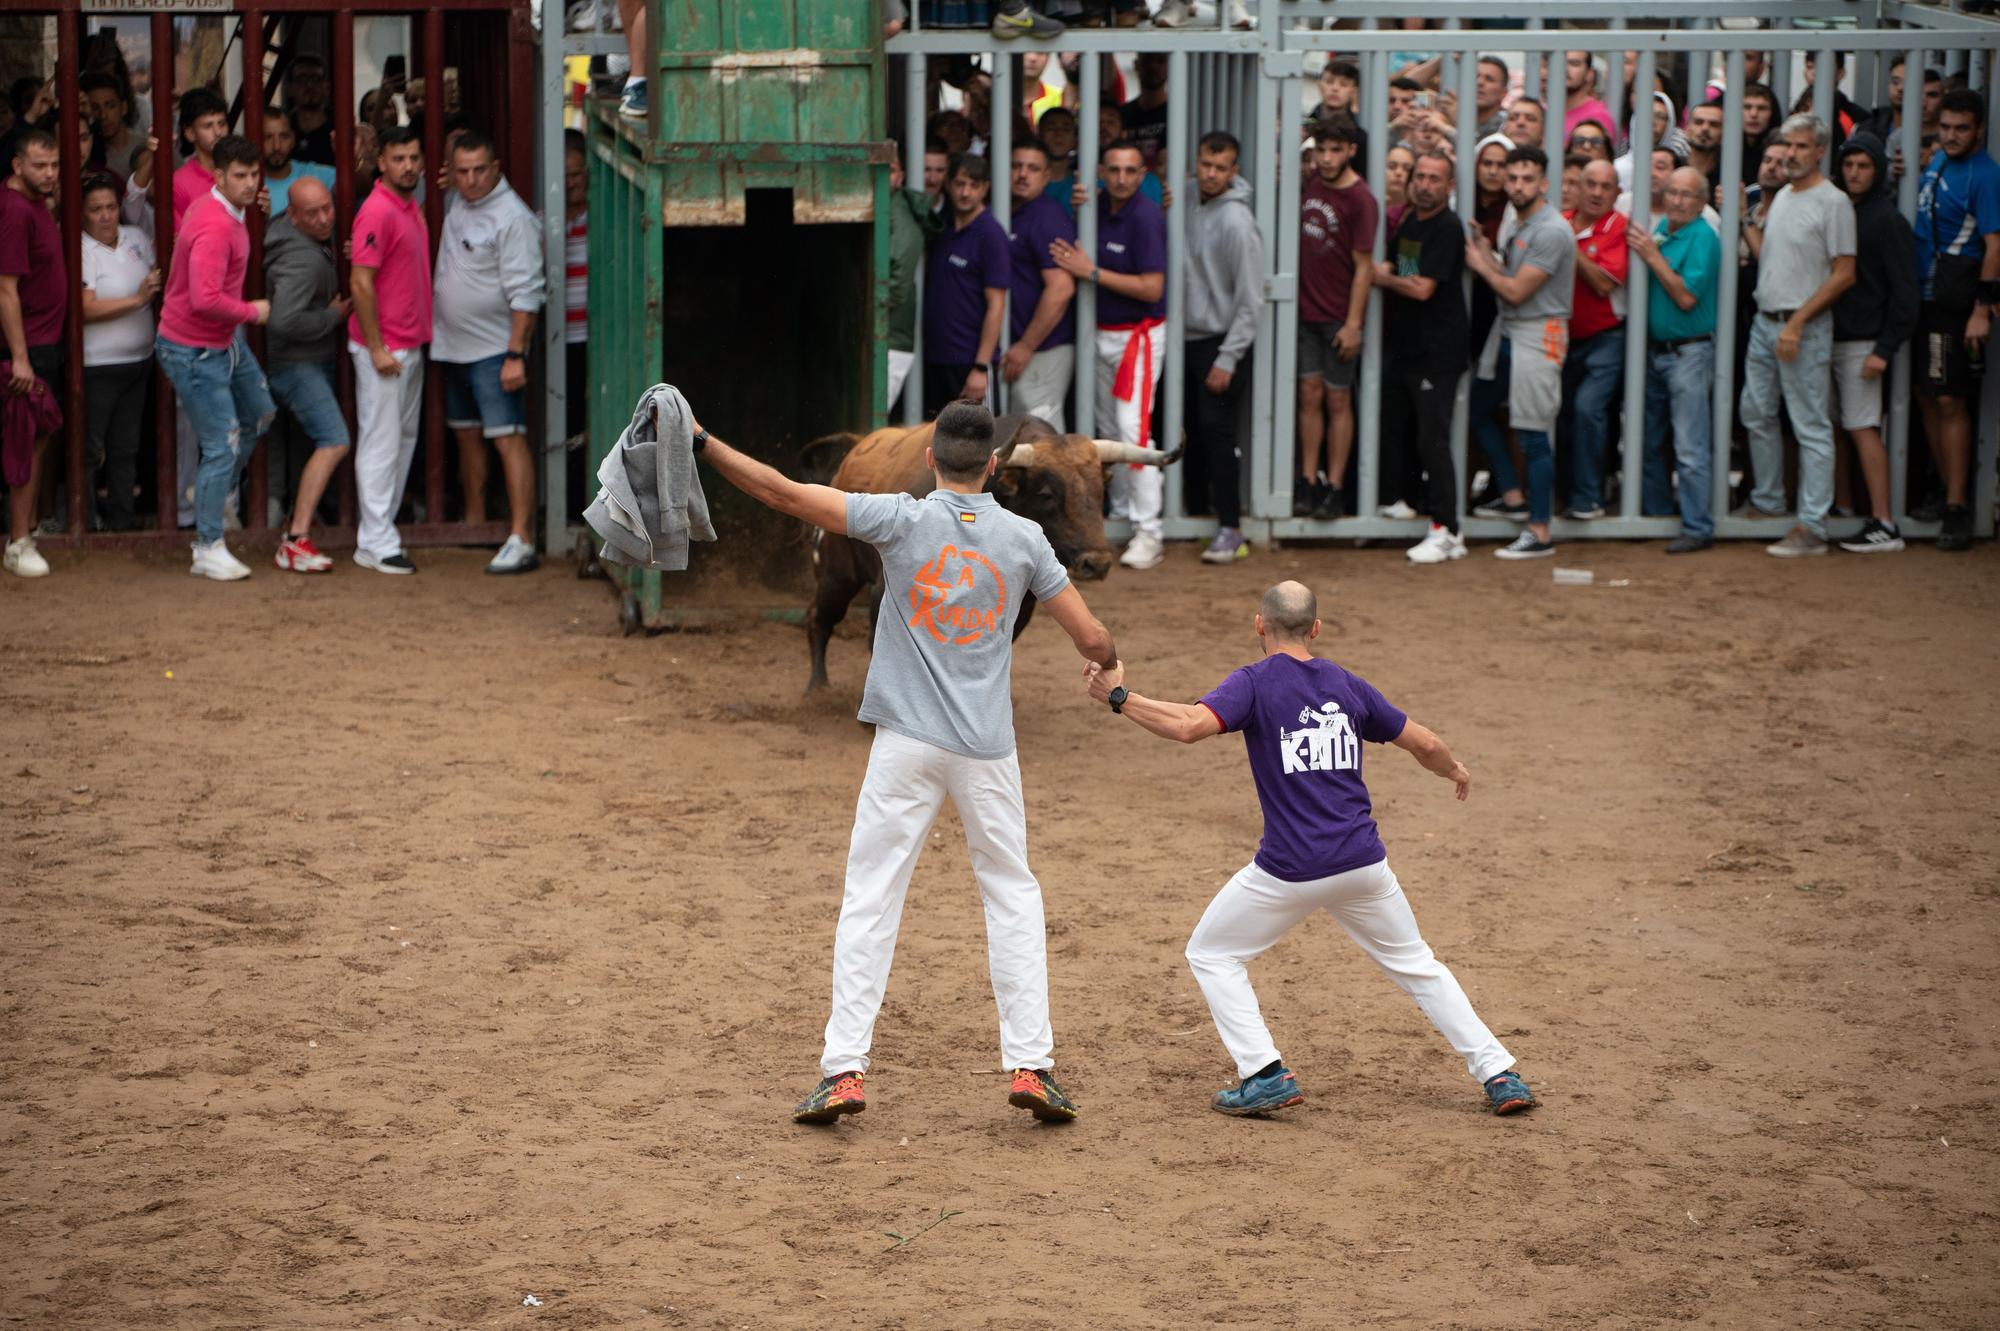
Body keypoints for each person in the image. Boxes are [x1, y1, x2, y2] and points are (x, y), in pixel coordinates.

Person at [693, 400, 1114, 1125]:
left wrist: (702, 440)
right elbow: (1092, 635)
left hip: (904, 745)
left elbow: (782, 491)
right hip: (985, 748)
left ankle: (844, 1072)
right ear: (992, 467)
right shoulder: (1024, 539)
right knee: (1012, 895)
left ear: (930, 460)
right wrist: (1106, 664)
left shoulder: (899, 517)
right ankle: (1033, 1067)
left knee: (870, 898)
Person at [1079, 581, 1538, 1120]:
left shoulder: (1252, 682)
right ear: (1315, 629)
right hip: (1364, 865)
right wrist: (1453, 770)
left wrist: (1117, 697)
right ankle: (1499, 1074)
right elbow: (1427, 744)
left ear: (1259, 625)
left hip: (1289, 871)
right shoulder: (1346, 683)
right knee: (1418, 965)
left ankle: (1263, 1073)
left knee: (1212, 953)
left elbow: (1187, 727)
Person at [154, 134, 275, 581]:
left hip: (218, 342)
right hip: (194, 347)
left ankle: (210, 487)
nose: (249, 183)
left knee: (260, 414)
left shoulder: (223, 209)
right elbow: (204, 299)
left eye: (253, 174)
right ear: (218, 176)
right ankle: (207, 546)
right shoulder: (215, 225)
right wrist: (252, 312)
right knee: (221, 446)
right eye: (239, 176)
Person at [1739, 114, 1856, 557]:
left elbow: (1844, 273)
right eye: (1787, 145)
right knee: (1756, 412)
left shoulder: (1833, 203)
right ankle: (1769, 503)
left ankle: (1812, 525)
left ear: (1820, 151)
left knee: (1810, 424)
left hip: (1801, 327)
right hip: (1767, 321)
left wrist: (1797, 321)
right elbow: (1774, 258)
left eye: (1801, 146)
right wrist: (1744, 220)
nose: (1791, 154)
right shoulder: (1784, 195)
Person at [1049, 139, 1168, 570]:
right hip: (1100, 332)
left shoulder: (1146, 217)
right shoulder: (1095, 205)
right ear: (1102, 171)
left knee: (1133, 432)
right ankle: (1120, 513)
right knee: (1105, 428)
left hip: (1137, 336)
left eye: (1130, 171)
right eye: (1113, 170)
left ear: (1142, 176)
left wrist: (1093, 273)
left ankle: (1149, 531)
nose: (1121, 178)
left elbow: (1153, 288)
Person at [432, 129, 546, 574]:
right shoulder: (458, 200)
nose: (472, 179)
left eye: (481, 170)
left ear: (497, 168)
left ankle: (522, 537)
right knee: (466, 436)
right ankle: (477, 525)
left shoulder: (512, 217)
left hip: (495, 351)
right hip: (453, 348)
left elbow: (527, 294)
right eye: (462, 171)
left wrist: (515, 354)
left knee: (508, 438)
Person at [1467, 145, 1573, 560]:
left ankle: (1540, 530)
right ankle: (1513, 495)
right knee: (1479, 410)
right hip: (1511, 330)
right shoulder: (1518, 223)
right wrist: (1486, 252)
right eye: (1512, 178)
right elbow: (1509, 278)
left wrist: (1479, 262)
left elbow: (1515, 289)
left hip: (1537, 333)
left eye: (1527, 178)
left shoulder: (1550, 229)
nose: (1517, 185)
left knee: (1533, 435)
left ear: (1544, 183)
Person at [1911, 89, 2000, 552]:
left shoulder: (1985, 175)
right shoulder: (1938, 161)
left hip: (1956, 301)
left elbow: (1995, 244)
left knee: (1949, 400)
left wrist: (1981, 310)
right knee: (1927, 395)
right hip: (1923, 294)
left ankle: (1958, 505)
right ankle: (1946, 491)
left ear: (1979, 129)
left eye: (1961, 128)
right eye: (1945, 127)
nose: (1951, 135)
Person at [1827, 133, 1918, 555]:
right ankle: (1846, 509)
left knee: (1863, 429)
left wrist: (1884, 349)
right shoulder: (1838, 209)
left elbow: (1906, 294)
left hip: (1864, 343)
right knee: (1838, 428)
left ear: (1878, 169)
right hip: (1829, 337)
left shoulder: (1887, 220)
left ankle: (1884, 522)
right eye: (1849, 165)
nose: (1854, 173)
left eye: (1864, 166)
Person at [1377, 150, 1469, 565]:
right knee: (1407, 431)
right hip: (1409, 349)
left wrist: (1383, 278)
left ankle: (1448, 529)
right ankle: (1408, 504)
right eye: (1421, 176)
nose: (1426, 184)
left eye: (1435, 178)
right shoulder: (1412, 220)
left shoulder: (1448, 227)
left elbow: (1422, 288)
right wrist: (1391, 272)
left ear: (1449, 187)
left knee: (1434, 439)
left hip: (1438, 352)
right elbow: (1400, 265)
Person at [347, 125, 433, 575]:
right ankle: (377, 540)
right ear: (381, 162)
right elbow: (360, 281)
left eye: (414, 157)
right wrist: (378, 347)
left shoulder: (409, 205)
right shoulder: (377, 210)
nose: (408, 166)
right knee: (382, 442)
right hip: (384, 348)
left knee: (400, 440)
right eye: (398, 158)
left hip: (407, 343)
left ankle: (379, 535)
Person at [1628, 166, 1722, 554]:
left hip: (1688, 352)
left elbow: (1686, 299)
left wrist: (1651, 256)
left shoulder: (1701, 236)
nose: (1678, 201)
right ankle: (1657, 514)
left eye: (1687, 195)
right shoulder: (1667, 227)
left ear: (1702, 202)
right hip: (1657, 351)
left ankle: (1697, 525)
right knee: (1650, 439)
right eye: (1673, 193)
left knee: (1689, 444)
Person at [263, 176, 352, 572]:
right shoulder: (301, 259)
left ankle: (296, 526)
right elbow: (283, 322)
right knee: (334, 440)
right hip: (297, 364)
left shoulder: (296, 236)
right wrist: (331, 317)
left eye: (327, 208)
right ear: (292, 216)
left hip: (304, 362)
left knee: (309, 448)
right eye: (312, 213)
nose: (323, 219)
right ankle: (296, 539)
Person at [1181, 130, 1262, 566]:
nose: (1210, 175)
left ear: (1235, 171)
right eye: (1205, 165)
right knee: (1190, 432)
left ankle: (1231, 528)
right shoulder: (1188, 197)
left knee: (1217, 435)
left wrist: (1228, 357)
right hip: (1186, 339)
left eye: (1220, 168)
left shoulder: (1238, 223)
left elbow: (1252, 302)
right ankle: (1193, 517)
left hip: (1219, 342)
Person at [1292, 114, 1376, 522]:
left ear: (1351, 151)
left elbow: (1365, 267)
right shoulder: (1310, 182)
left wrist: (1354, 323)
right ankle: (1308, 480)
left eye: (1334, 150)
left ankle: (1335, 487)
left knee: (1338, 399)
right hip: (1305, 312)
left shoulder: (1361, 199)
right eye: (1320, 150)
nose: (1325, 159)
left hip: (1338, 317)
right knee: (1308, 396)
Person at [78, 173, 160, 533]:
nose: (106, 216)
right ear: (82, 213)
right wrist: (137, 300)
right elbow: (86, 308)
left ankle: (122, 522)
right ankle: (85, 522)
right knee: (91, 450)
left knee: (127, 448)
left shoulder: (137, 238)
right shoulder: (80, 248)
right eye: (95, 209)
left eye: (111, 207)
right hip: (98, 366)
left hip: (139, 362)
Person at [1, 130, 66, 577]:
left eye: (55, 165)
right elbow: (4, 290)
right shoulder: (12, 211)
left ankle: (25, 533)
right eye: (40, 166)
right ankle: (18, 541)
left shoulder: (37, 202)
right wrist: (20, 356)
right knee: (27, 443)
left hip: (44, 340)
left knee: (37, 440)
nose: (49, 174)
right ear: (17, 166)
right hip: (28, 346)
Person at [1560, 157, 1629, 522]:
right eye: (1591, 185)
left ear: (1618, 192)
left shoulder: (1615, 226)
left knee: (1586, 409)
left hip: (1602, 337)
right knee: (1560, 415)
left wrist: (1567, 245)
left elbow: (1603, 284)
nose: (1597, 193)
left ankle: (1586, 497)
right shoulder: (1401, 219)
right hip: (1562, 334)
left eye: (1606, 187)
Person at [922, 152, 1008, 418]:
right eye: (960, 184)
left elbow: (997, 305)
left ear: (985, 188)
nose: (965, 192)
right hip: (936, 356)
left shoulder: (991, 234)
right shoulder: (942, 227)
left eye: (974, 185)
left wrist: (981, 367)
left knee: (980, 447)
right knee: (936, 445)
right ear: (948, 185)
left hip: (970, 361)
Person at [998, 140, 1076, 429]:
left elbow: (1061, 288)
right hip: (1021, 346)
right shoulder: (1008, 211)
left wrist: (1027, 345)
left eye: (1033, 169)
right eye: (1016, 166)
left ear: (1046, 177)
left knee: (1041, 437)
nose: (1022, 174)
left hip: (1042, 349)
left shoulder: (1047, 217)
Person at [886, 150, 937, 416]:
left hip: (891, 336)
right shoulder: (886, 209)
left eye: (891, 169)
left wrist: (872, 314)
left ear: (900, 177)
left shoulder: (900, 213)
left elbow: (898, 279)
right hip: (889, 335)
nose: (884, 175)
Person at [260, 108, 335, 218]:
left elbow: (354, 183)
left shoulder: (314, 175)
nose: (277, 146)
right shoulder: (249, 183)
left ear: (293, 139)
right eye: (267, 137)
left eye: (284, 137)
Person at [172, 88, 228, 226]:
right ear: (190, 133)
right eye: (208, 126)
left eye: (221, 123)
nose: (218, 132)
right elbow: (182, 240)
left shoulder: (241, 172)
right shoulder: (180, 182)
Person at [283, 55, 337, 165]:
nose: (309, 85)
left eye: (316, 79)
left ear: (327, 87)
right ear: (289, 89)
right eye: (301, 79)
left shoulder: (338, 127)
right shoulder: (283, 127)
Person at [1121, 53, 1169, 177]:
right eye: (1147, 61)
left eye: (1160, 61)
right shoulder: (1122, 114)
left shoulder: (1177, 115)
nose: (1153, 67)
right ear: (1136, 65)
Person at [1561, 51, 1613, 141]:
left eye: (1574, 64)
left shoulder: (1598, 116)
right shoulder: (1545, 111)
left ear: (1590, 74)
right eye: (1560, 63)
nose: (1565, 69)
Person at [1738, 84, 1779, 187]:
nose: (1753, 114)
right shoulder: (1722, 151)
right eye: (1747, 107)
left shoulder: (1782, 151)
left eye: (1762, 108)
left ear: (1772, 113)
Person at [1685, 100, 1724, 190]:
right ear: (1687, 129)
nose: (1705, 128)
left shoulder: (1727, 173)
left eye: (1714, 125)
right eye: (1698, 122)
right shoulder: (1673, 164)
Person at [1474, 56, 1510, 140]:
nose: (1479, 82)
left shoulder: (1507, 126)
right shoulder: (1450, 115)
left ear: (1503, 93)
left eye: (1489, 79)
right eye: (1475, 76)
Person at [1383, 143, 1416, 234]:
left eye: (1407, 169)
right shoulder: (1367, 205)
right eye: (1392, 166)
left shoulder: (1419, 213)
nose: (1398, 173)